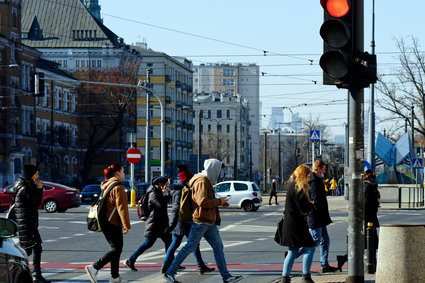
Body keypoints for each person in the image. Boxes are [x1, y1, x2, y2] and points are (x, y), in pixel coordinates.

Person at [163, 159, 242, 283]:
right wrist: (218, 201)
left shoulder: (205, 181)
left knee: (218, 247)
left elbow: (206, 199)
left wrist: (220, 201)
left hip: (208, 221)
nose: (219, 174)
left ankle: (226, 276)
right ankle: (169, 272)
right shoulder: (201, 182)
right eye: (218, 170)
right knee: (189, 247)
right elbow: (202, 202)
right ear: (213, 169)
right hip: (201, 221)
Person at [162, 165, 215, 274]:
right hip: (182, 221)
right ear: (187, 180)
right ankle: (168, 265)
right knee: (188, 243)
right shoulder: (181, 190)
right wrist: (172, 225)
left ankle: (168, 264)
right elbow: (176, 209)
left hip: (182, 221)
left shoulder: (180, 189)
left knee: (181, 244)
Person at [85, 163, 131, 283]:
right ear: (117, 173)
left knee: (116, 249)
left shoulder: (107, 185)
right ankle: (94, 267)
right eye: (123, 171)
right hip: (113, 223)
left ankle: (115, 277)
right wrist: (126, 225)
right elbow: (122, 208)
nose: (124, 173)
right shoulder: (118, 187)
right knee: (116, 249)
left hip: (105, 222)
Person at [125, 176, 172, 271]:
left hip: (161, 223)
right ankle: (131, 260)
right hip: (154, 223)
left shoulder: (157, 191)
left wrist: (166, 194)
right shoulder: (152, 193)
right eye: (166, 184)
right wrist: (165, 194)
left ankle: (170, 262)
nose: (167, 186)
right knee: (147, 243)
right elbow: (159, 205)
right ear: (160, 185)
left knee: (169, 242)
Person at [14, 164, 51, 283]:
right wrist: (40, 189)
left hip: (27, 223)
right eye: (36, 174)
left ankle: (32, 274)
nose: (38, 176)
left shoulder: (28, 186)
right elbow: (35, 203)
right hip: (26, 223)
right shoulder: (25, 188)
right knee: (34, 248)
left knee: (29, 250)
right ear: (31, 175)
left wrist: (37, 188)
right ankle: (35, 275)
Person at [280, 165, 316, 283]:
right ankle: (305, 276)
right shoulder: (298, 188)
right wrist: (311, 204)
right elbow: (304, 209)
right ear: (303, 175)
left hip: (290, 224)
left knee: (293, 250)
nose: (309, 177)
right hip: (297, 225)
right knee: (310, 247)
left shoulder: (292, 185)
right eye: (308, 175)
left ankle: (285, 278)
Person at [307, 160, 339, 273]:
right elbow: (315, 201)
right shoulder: (313, 181)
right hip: (316, 217)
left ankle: (324, 264)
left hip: (320, 217)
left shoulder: (317, 180)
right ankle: (294, 253)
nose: (325, 171)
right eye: (323, 169)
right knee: (315, 241)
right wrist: (320, 214)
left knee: (325, 240)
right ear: (318, 168)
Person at [364, 169, 380, 249]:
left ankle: (372, 258)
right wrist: (376, 203)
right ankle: (344, 258)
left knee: (370, 236)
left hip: (368, 212)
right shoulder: (370, 185)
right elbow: (368, 200)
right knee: (370, 236)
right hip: (369, 212)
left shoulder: (368, 184)